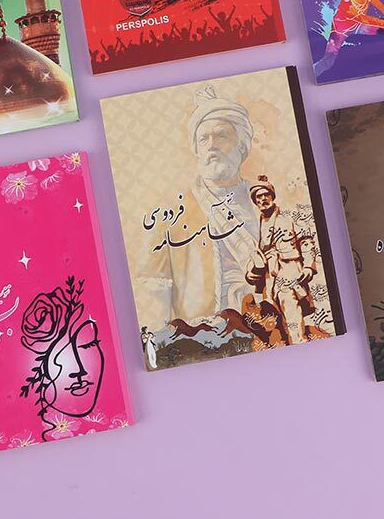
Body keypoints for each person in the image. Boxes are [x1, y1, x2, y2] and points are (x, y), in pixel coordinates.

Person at [135, 86, 260, 327]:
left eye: (221, 136)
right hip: (202, 336)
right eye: (204, 138)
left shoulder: (262, 202)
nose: (211, 145)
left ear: (242, 145)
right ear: (196, 149)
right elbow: (152, 293)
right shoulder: (169, 214)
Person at [245, 176, 316, 343]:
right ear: (255, 201)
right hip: (268, 280)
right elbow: (255, 254)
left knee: (291, 311)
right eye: (259, 197)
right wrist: (249, 273)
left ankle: (300, 344)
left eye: (266, 195)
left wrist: (308, 266)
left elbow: (306, 241)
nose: (263, 199)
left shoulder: (287, 217)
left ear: (272, 196)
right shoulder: (255, 225)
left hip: (289, 272)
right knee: (275, 322)